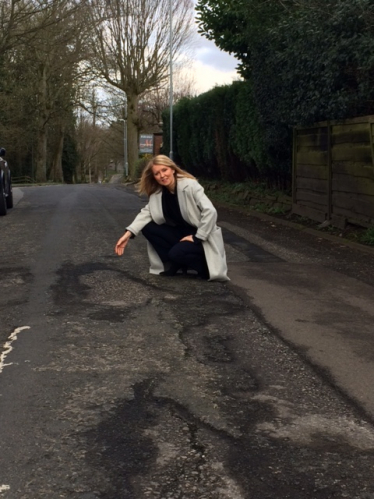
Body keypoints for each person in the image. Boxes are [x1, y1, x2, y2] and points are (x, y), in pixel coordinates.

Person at [114, 155, 229, 281]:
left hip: (201, 235)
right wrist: (128, 234)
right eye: (157, 173)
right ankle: (175, 262)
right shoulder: (158, 192)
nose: (162, 175)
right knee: (148, 227)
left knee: (176, 253)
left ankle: (204, 268)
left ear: (173, 169)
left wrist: (197, 237)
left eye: (164, 170)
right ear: (154, 177)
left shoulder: (190, 185)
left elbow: (210, 211)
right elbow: (146, 213)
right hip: (181, 233)